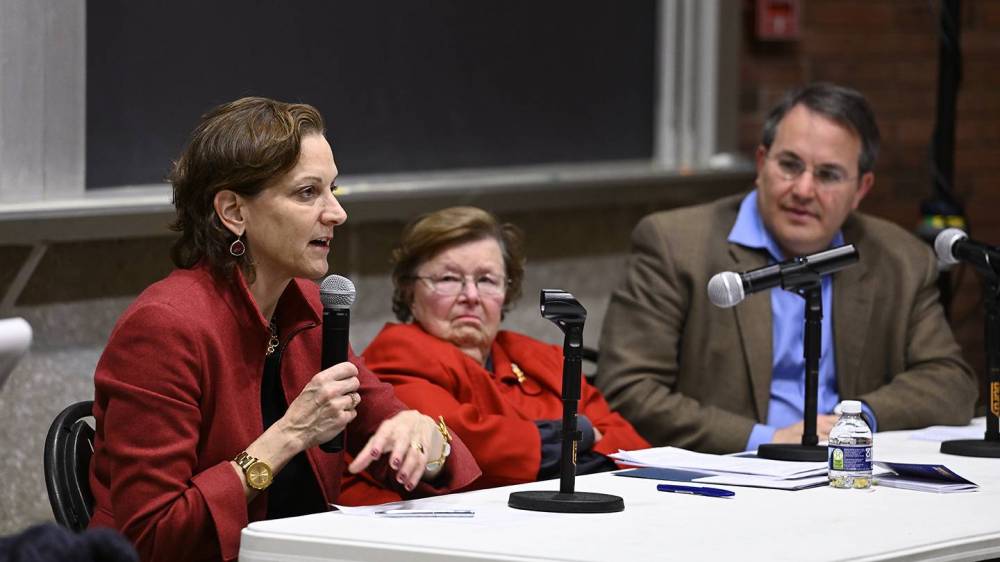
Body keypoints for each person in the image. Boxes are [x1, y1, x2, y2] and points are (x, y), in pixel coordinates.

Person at [88, 97, 481, 562]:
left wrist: (424, 442)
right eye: (307, 193)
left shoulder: (309, 306)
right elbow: (152, 538)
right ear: (234, 211)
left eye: (334, 189)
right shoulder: (164, 328)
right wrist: (289, 435)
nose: (337, 213)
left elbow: (402, 440)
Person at [595, 83, 978, 455]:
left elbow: (950, 383)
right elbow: (628, 389)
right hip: (728, 479)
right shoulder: (675, 244)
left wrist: (856, 420)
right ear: (761, 164)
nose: (804, 190)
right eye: (790, 166)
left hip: (848, 472)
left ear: (861, 189)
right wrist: (766, 439)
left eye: (828, 175)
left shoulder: (901, 259)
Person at [339, 206, 648, 505]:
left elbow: (632, 447)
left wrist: (547, 457)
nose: (471, 296)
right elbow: (467, 448)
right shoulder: (397, 353)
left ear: (506, 292)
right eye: (448, 279)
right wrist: (580, 433)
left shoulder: (543, 356)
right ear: (410, 291)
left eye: (486, 280)